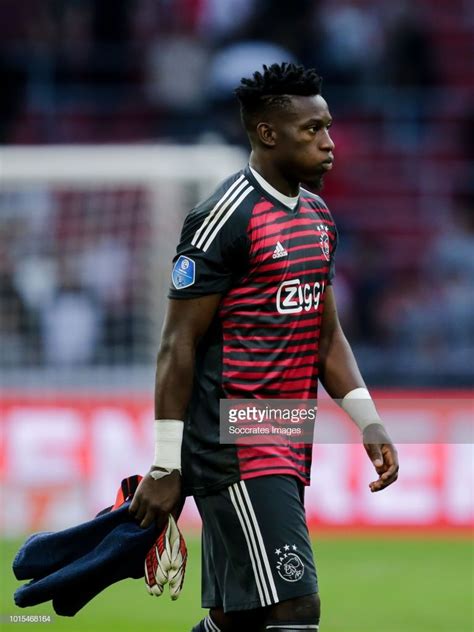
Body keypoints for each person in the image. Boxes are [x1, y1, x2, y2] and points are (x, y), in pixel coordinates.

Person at [130, 62, 399, 632]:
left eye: (328, 127)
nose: (329, 143)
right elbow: (176, 345)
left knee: (240, 619)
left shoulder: (320, 218)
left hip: (286, 427)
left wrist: (368, 420)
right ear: (267, 133)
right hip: (234, 439)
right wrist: (164, 463)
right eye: (313, 130)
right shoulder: (222, 218)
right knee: (298, 606)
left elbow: (326, 335)